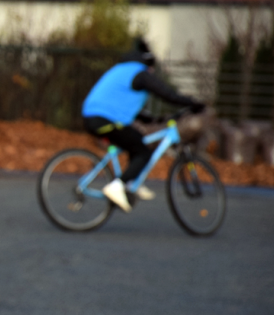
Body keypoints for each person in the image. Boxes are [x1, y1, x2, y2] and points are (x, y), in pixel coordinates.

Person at [82, 37, 205, 212]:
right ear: (148, 65)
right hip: (104, 119)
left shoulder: (122, 70)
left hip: (96, 117)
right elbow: (167, 94)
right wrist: (192, 103)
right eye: (152, 68)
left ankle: (131, 182)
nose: (153, 72)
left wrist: (151, 118)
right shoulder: (140, 73)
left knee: (137, 140)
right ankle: (118, 186)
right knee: (143, 151)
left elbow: (120, 101)